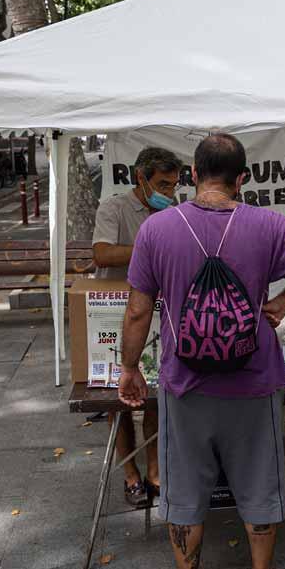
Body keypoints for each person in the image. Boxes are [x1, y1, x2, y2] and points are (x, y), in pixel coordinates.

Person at [118, 133, 285, 569]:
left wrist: (128, 366)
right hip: (255, 381)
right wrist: (283, 302)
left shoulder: (158, 229)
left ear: (194, 176)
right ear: (242, 178)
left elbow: (139, 312)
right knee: (259, 482)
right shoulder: (266, 224)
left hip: (185, 384)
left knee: (184, 488)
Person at [92, 146, 184, 507]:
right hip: (111, 315)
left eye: (174, 185)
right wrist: (151, 246)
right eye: (162, 184)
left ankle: (154, 471)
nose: (169, 193)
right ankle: (130, 475)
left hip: (157, 315)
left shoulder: (174, 212)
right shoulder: (113, 208)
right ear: (139, 178)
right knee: (120, 402)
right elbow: (102, 254)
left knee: (155, 397)